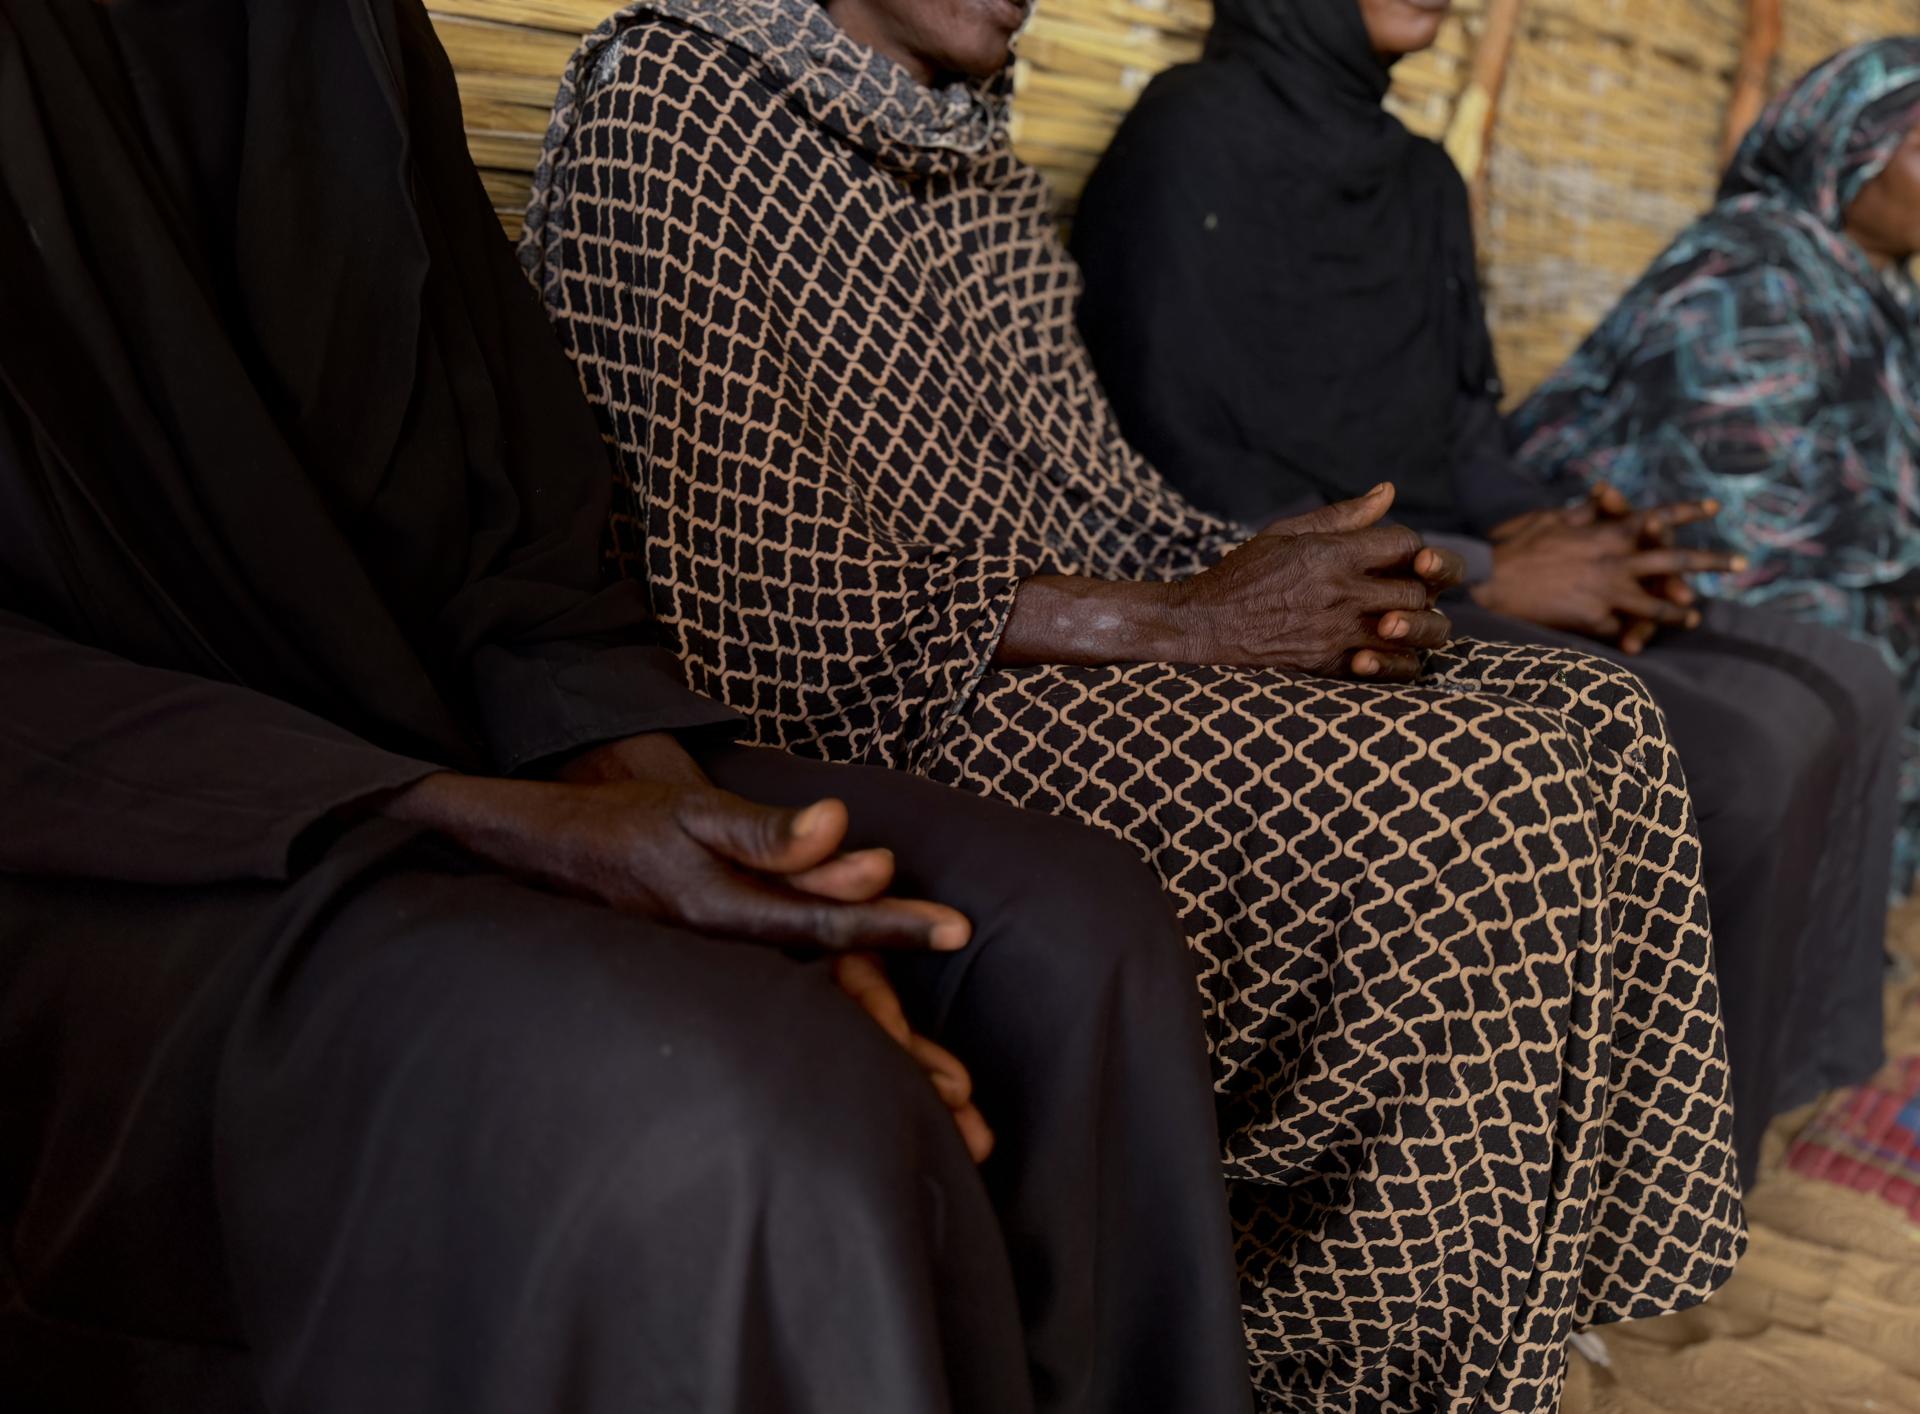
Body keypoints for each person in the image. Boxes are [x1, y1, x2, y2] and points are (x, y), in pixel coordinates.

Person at [0, 3, 1258, 1412]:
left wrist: (663, 805)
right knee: (754, 1106)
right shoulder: (678, 99)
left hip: (450, 728)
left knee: (1073, 929)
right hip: (129, 830)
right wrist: (474, 818)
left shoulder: (343, 30)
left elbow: (518, 526)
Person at [523, 0, 1747, 1406]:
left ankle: (1490, 1306)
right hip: (875, 688)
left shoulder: (970, 153)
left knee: (1591, 718)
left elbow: (1104, 494)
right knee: (1472, 795)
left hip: (1058, 638)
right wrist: (1176, 621)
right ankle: (1311, 1350)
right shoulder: (672, 92)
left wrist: (1269, 568)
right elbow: (730, 593)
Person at [1067, 0, 1901, 1181]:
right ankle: (1612, 1171)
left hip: (1434, 548)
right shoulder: (1191, 137)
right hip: (1297, 585)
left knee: (1839, 680)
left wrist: (1557, 527)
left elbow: (1464, 427)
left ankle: (1735, 1118)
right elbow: (1184, 479)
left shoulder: (1420, 178)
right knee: (1729, 757)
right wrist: (1499, 568)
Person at [1509, 36, 1920, 900]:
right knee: (1844, 681)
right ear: (1844, 149)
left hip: (1814, 610)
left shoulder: (1880, 295)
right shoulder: (1750, 273)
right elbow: (1723, 527)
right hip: (1675, 615)